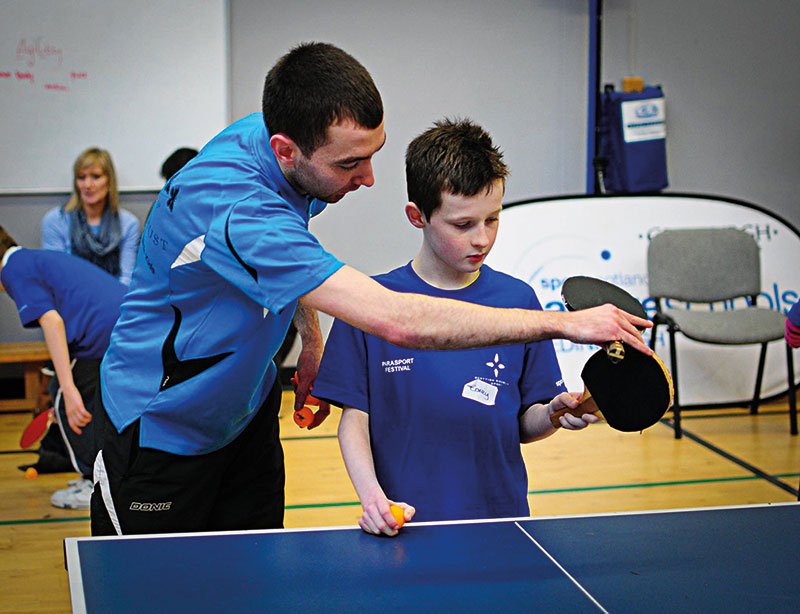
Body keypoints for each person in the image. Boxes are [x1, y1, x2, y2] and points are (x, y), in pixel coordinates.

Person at [92, 42, 650, 537]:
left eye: (373, 153)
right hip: (163, 428)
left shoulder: (268, 137)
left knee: (251, 585)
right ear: (287, 150)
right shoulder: (238, 208)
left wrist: (308, 339)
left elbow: (284, 257)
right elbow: (398, 321)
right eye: (350, 163)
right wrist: (566, 322)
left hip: (245, 417)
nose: (369, 178)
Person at [312, 119, 598, 535]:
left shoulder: (519, 302)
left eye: (493, 220)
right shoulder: (370, 304)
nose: (481, 238)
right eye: (463, 225)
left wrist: (552, 415)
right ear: (417, 216)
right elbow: (354, 421)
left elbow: (523, 424)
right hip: (406, 523)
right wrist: (373, 497)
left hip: (502, 522)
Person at [0, 226, 126, 510]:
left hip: (99, 336)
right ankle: (100, 477)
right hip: (120, 326)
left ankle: (93, 483)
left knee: (63, 396)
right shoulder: (30, 259)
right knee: (86, 402)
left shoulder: (12, 268)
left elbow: (53, 322)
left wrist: (68, 390)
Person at [41, 147, 140, 286]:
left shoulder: (128, 224)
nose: (87, 185)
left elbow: (127, 277)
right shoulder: (56, 220)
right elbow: (56, 276)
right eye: (81, 178)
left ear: (109, 181)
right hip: (70, 301)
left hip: (114, 301)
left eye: (96, 176)